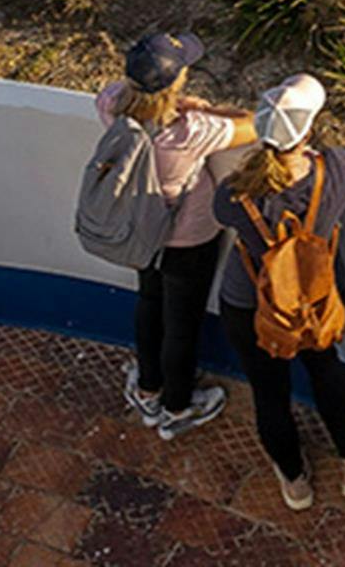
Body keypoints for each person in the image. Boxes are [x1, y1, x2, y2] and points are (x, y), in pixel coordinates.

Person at [216, 73, 345, 510]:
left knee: (269, 394)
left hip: (249, 307)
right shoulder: (336, 169)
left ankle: (295, 482)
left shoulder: (234, 193)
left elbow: (227, 213)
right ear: (309, 130)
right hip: (315, 305)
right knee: (327, 375)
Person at [95, 32, 256, 440]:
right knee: (181, 325)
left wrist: (172, 103)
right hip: (189, 240)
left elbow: (118, 95)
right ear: (176, 82)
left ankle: (148, 388)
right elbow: (256, 124)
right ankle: (177, 407)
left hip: (139, 233)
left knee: (149, 303)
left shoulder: (113, 106)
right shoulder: (191, 132)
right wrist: (204, 107)